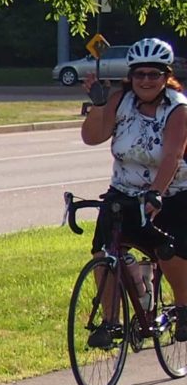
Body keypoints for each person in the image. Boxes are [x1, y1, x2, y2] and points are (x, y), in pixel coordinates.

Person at [77, 36, 187, 344]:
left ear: (167, 76)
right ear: (131, 76)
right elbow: (93, 137)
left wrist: (156, 194)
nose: (146, 80)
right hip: (124, 189)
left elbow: (172, 156)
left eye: (154, 74)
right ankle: (111, 321)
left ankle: (183, 307)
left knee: (170, 250)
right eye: (140, 74)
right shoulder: (120, 100)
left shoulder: (177, 109)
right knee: (104, 251)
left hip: (172, 191)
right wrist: (99, 107)